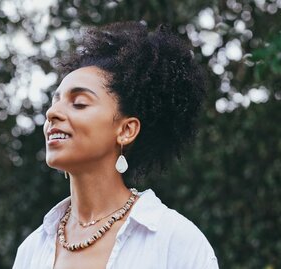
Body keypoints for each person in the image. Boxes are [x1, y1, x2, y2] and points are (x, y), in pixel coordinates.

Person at [13, 21, 219, 269]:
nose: (52, 113)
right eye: (54, 102)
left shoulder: (175, 242)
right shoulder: (32, 250)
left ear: (126, 130)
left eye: (79, 103)